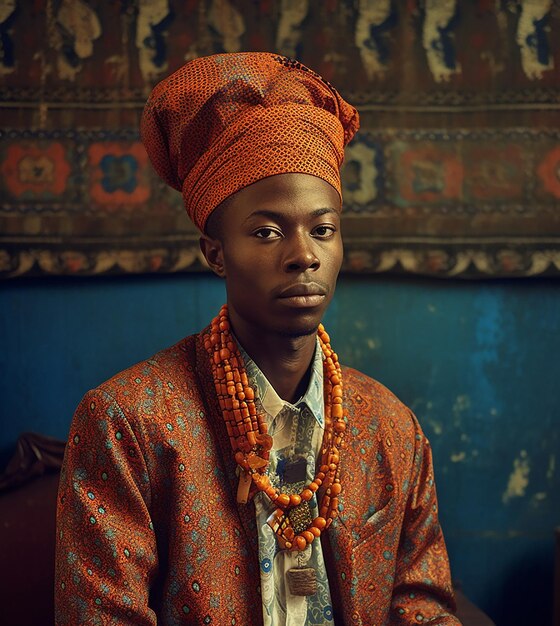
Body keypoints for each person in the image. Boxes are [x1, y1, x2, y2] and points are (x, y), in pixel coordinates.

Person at [55, 52, 460, 626]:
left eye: (323, 230)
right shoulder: (128, 424)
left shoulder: (390, 429)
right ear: (215, 253)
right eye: (267, 232)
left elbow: (422, 608)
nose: (303, 256)